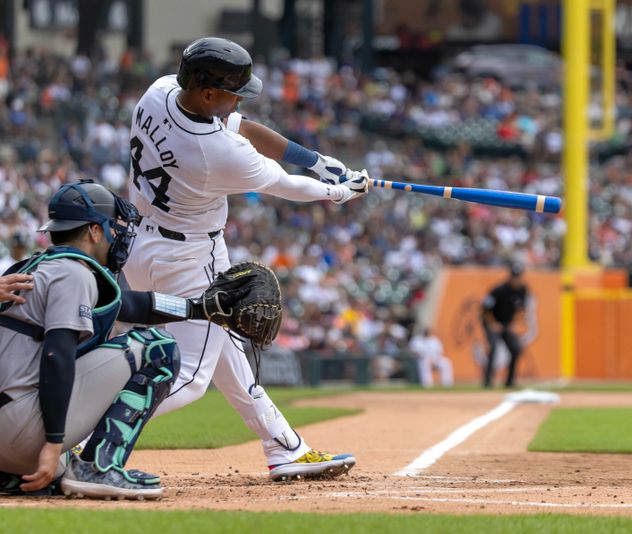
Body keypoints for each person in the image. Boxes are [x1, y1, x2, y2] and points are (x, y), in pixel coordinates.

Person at [122, 37, 365, 481]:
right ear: (207, 92)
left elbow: (243, 125)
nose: (239, 100)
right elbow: (287, 187)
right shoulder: (215, 153)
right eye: (233, 91)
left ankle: (284, 445)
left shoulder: (158, 91)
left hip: (141, 243)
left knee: (228, 345)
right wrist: (340, 190)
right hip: (190, 254)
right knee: (190, 377)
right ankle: (83, 436)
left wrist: (315, 160)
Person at [0, 180, 227, 499]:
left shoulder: (32, 269)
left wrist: (201, 308)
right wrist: (52, 443)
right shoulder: (74, 273)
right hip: (22, 432)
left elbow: (134, 304)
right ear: (94, 231)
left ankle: (16, 475)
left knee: (60, 471)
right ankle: (100, 466)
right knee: (157, 349)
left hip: (6, 437)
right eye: (112, 227)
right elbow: (57, 356)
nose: (117, 235)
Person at [481, 262, 536, 388]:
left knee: (516, 349)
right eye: (514, 276)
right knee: (493, 347)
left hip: (506, 323)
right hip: (491, 322)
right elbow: (485, 309)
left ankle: (509, 382)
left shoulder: (523, 290)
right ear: (510, 276)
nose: (516, 279)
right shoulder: (498, 290)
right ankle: (488, 382)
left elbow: (521, 310)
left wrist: (513, 323)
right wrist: (493, 324)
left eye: (519, 276)